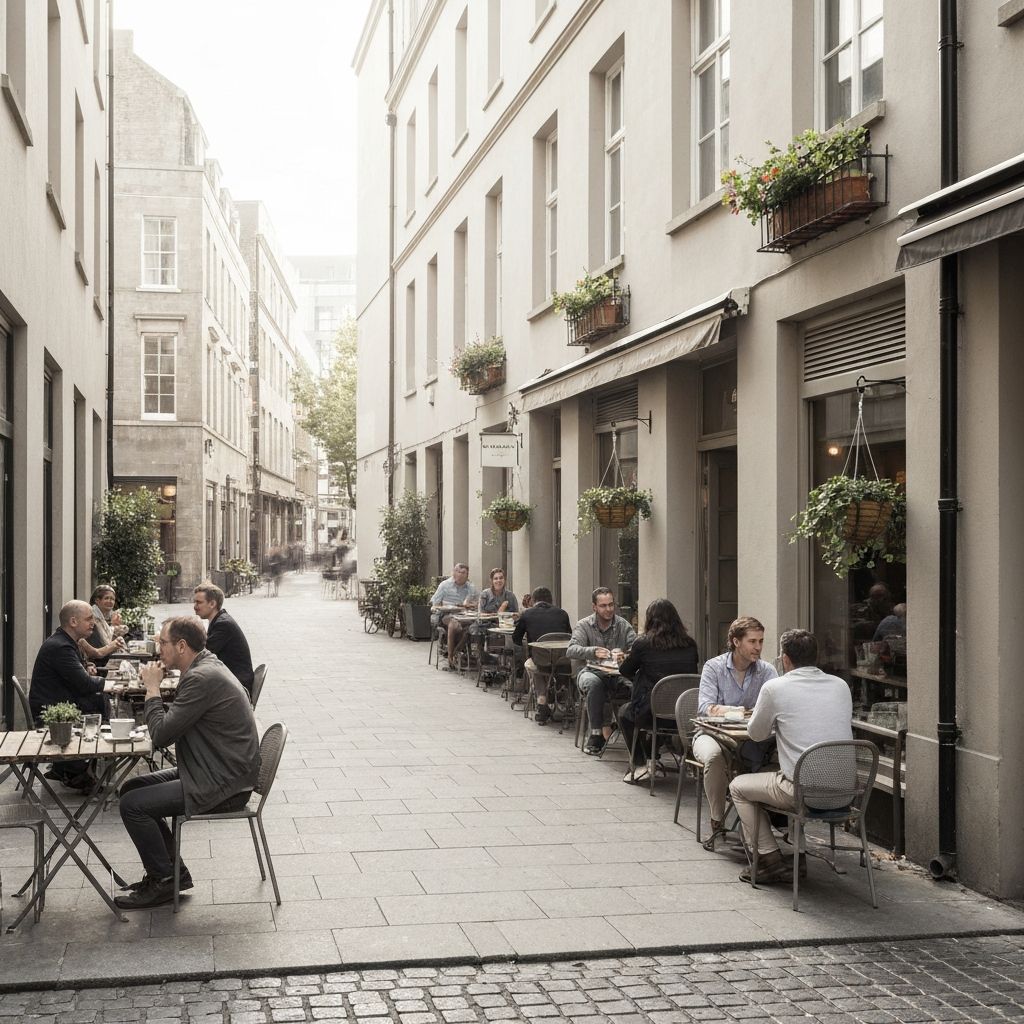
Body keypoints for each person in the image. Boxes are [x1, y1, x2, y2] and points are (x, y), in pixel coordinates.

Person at [114, 615, 260, 910]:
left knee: (133, 805)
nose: (159, 649)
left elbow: (162, 735)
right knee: (131, 788)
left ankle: (164, 881)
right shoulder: (206, 666)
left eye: (163, 643)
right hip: (215, 770)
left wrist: (152, 689)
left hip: (223, 783)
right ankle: (172, 873)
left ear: (181, 646)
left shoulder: (201, 677)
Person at [729, 628, 853, 885]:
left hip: (801, 792)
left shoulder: (775, 687)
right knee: (797, 769)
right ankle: (799, 858)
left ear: (785, 659)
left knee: (739, 786)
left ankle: (770, 860)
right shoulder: (841, 686)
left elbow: (756, 733)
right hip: (845, 791)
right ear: (815, 657)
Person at [693, 616, 777, 846]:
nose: (758, 647)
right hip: (711, 734)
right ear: (735, 641)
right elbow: (704, 708)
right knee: (713, 757)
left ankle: (757, 821)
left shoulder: (766, 671)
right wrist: (740, 711)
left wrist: (726, 710)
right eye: (752, 641)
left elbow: (776, 706)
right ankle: (717, 821)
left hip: (751, 739)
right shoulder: (714, 667)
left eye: (761, 641)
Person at [617, 599, 700, 784]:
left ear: (650, 620)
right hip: (683, 713)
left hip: (652, 713)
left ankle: (640, 764)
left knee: (624, 713)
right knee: (651, 719)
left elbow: (625, 671)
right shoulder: (690, 644)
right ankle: (653, 759)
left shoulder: (643, 644)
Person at [29, 601, 108, 788]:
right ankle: (74, 770)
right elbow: (85, 684)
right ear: (73, 621)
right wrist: (110, 684)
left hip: (61, 705)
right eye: (89, 619)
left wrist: (86, 667)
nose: (93, 623)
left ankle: (74, 769)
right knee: (101, 700)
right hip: (53, 715)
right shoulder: (61, 647)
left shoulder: (67, 642)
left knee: (101, 701)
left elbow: (78, 675)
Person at [568, 588, 636, 755]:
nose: (608, 609)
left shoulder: (623, 625)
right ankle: (596, 734)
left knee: (636, 686)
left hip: (616, 673)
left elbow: (637, 648)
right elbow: (571, 650)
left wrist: (624, 654)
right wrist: (592, 651)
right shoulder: (584, 625)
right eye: (603, 606)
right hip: (590, 671)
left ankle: (636, 736)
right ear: (594, 607)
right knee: (594, 683)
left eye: (611, 605)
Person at [512, 586, 572, 724]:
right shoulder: (562, 613)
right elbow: (569, 636)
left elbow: (516, 639)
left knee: (531, 665)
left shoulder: (527, 614)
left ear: (533, 600)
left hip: (541, 660)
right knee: (550, 666)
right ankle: (562, 700)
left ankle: (541, 701)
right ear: (551, 600)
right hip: (562, 661)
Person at [193, 582, 255, 694]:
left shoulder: (223, 624)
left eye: (199, 602)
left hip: (237, 688)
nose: (195, 607)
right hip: (230, 681)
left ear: (212, 604)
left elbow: (203, 654)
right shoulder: (219, 620)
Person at [430, 563, 478, 669]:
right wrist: (446, 606)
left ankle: (455, 653)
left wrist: (469, 605)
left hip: (465, 616)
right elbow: (435, 604)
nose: (460, 575)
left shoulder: (471, 587)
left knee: (472, 628)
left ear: (467, 575)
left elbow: (477, 604)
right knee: (453, 624)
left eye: (463, 573)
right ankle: (451, 659)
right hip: (446, 615)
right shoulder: (444, 585)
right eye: (458, 571)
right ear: (453, 572)